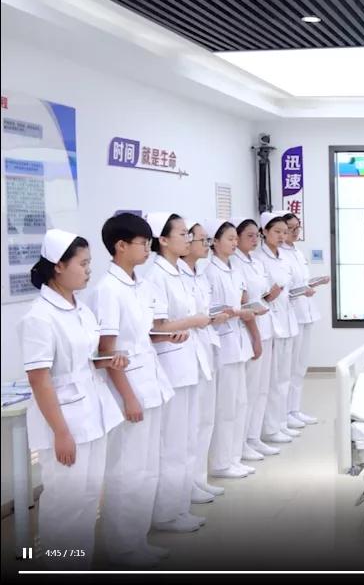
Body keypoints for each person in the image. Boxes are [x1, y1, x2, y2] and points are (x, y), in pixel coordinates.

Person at [19, 230, 126, 569]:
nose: (88, 270)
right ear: (59, 266)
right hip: (65, 423)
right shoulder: (39, 317)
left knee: (88, 500)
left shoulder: (80, 308)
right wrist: (61, 432)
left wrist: (108, 360)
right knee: (65, 506)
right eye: (83, 264)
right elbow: (39, 379)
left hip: (93, 414)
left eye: (89, 263)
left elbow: (84, 361)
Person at [93, 213, 178, 566]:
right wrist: (128, 397)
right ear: (120, 246)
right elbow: (107, 350)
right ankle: (122, 547)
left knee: (147, 467)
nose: (148, 249)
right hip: (129, 388)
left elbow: (144, 334)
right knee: (127, 470)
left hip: (151, 382)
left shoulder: (139, 283)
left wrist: (168, 335)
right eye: (143, 243)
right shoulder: (107, 290)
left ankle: (137, 541)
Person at [142, 212, 213, 534]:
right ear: (163, 239)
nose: (189, 238)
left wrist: (194, 322)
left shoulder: (178, 272)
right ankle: (166, 512)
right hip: (171, 366)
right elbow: (157, 325)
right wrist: (193, 321)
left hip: (188, 361)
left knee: (186, 438)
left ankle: (179, 506)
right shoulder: (156, 276)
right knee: (173, 442)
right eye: (183, 233)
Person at [180, 220, 233, 499]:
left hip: (204, 347)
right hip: (185, 355)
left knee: (204, 420)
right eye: (202, 239)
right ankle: (187, 484)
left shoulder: (197, 274)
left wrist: (213, 317)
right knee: (188, 428)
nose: (206, 244)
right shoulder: (169, 275)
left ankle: (198, 479)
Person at [205, 220, 259, 479]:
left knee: (240, 403)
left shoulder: (234, 269)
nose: (235, 243)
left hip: (238, 341)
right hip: (223, 345)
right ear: (214, 242)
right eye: (230, 238)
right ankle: (220, 462)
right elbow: (210, 312)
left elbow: (240, 302)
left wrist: (245, 311)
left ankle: (234, 458)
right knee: (225, 407)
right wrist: (237, 312)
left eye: (235, 238)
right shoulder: (210, 271)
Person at [231, 217, 278, 459]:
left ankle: (253, 437)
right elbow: (243, 302)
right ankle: (241, 443)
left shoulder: (255, 261)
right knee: (248, 392)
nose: (254, 239)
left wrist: (271, 294)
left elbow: (261, 294)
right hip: (249, 331)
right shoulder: (235, 264)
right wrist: (256, 337)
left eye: (255, 235)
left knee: (261, 388)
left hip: (264, 326)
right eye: (249, 235)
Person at [254, 212, 300, 444]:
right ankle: (270, 429)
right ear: (264, 232)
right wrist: (269, 296)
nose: (282, 236)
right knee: (272, 381)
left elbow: (286, 289)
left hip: (287, 322)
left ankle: (280, 423)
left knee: (284, 377)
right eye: (277, 232)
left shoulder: (283, 257)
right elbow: (261, 293)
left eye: (285, 232)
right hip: (271, 323)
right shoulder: (259, 258)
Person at [280, 213, 324, 429]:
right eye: (291, 228)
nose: (295, 231)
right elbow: (283, 290)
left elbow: (300, 282)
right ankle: (284, 413)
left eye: (298, 227)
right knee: (288, 368)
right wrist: (302, 290)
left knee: (300, 366)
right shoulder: (279, 255)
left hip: (306, 313)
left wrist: (314, 283)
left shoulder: (297, 252)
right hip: (291, 316)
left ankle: (294, 409)